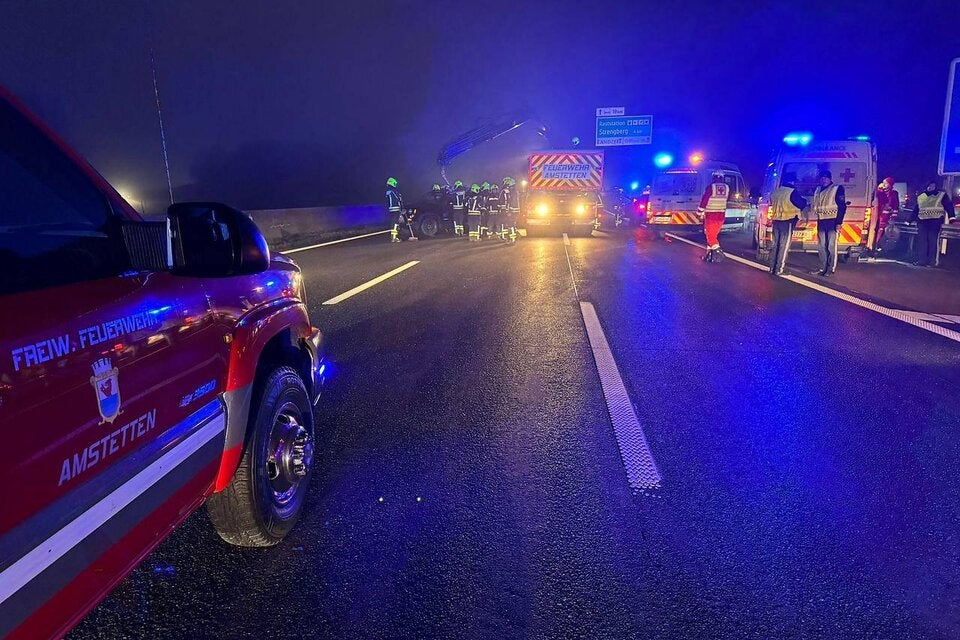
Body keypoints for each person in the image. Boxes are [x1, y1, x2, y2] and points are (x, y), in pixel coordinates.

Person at [767, 173, 807, 275]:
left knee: (775, 245)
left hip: (776, 221)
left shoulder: (775, 192)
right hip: (787, 222)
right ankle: (779, 269)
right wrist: (805, 201)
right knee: (783, 247)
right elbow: (801, 203)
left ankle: (772, 268)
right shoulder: (792, 192)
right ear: (792, 181)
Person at [911, 180, 955, 266]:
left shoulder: (941, 195)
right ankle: (922, 261)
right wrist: (910, 219)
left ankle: (931, 261)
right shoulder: (921, 196)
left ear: (936, 187)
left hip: (935, 221)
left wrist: (951, 217)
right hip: (922, 221)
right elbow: (916, 209)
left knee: (932, 241)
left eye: (933, 186)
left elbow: (948, 205)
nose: (931, 187)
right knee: (922, 241)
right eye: (929, 185)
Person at [811, 169, 846, 276]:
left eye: (826, 178)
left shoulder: (837, 188)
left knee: (831, 246)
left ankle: (830, 269)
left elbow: (842, 206)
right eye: (822, 178)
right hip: (821, 221)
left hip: (833, 221)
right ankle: (822, 268)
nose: (824, 180)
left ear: (830, 178)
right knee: (822, 246)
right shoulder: (818, 189)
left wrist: (839, 222)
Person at [697, 170, 730, 262]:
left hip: (711, 215)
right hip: (721, 215)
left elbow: (704, 200)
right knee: (712, 235)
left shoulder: (711, 187)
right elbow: (726, 199)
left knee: (710, 236)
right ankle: (709, 255)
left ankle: (718, 251)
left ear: (714, 177)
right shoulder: (727, 187)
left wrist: (699, 212)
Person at [872, 177, 899, 255]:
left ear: (890, 184)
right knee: (875, 230)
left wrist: (893, 218)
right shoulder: (879, 191)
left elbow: (895, 206)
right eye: (883, 182)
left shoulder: (894, 193)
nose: (883, 184)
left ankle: (878, 246)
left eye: (886, 183)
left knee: (882, 231)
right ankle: (874, 246)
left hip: (886, 217)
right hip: (876, 215)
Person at [501, 177, 520, 242]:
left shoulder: (511, 191)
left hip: (512, 211)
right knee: (512, 224)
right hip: (515, 211)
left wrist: (508, 210)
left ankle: (512, 239)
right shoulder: (515, 191)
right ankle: (513, 237)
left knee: (510, 224)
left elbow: (510, 201)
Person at [386, 177, 404, 243]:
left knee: (394, 224)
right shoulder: (394, 192)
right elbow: (399, 201)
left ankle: (395, 236)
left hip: (390, 210)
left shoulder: (388, 192)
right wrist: (402, 209)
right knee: (395, 224)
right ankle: (394, 238)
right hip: (395, 210)